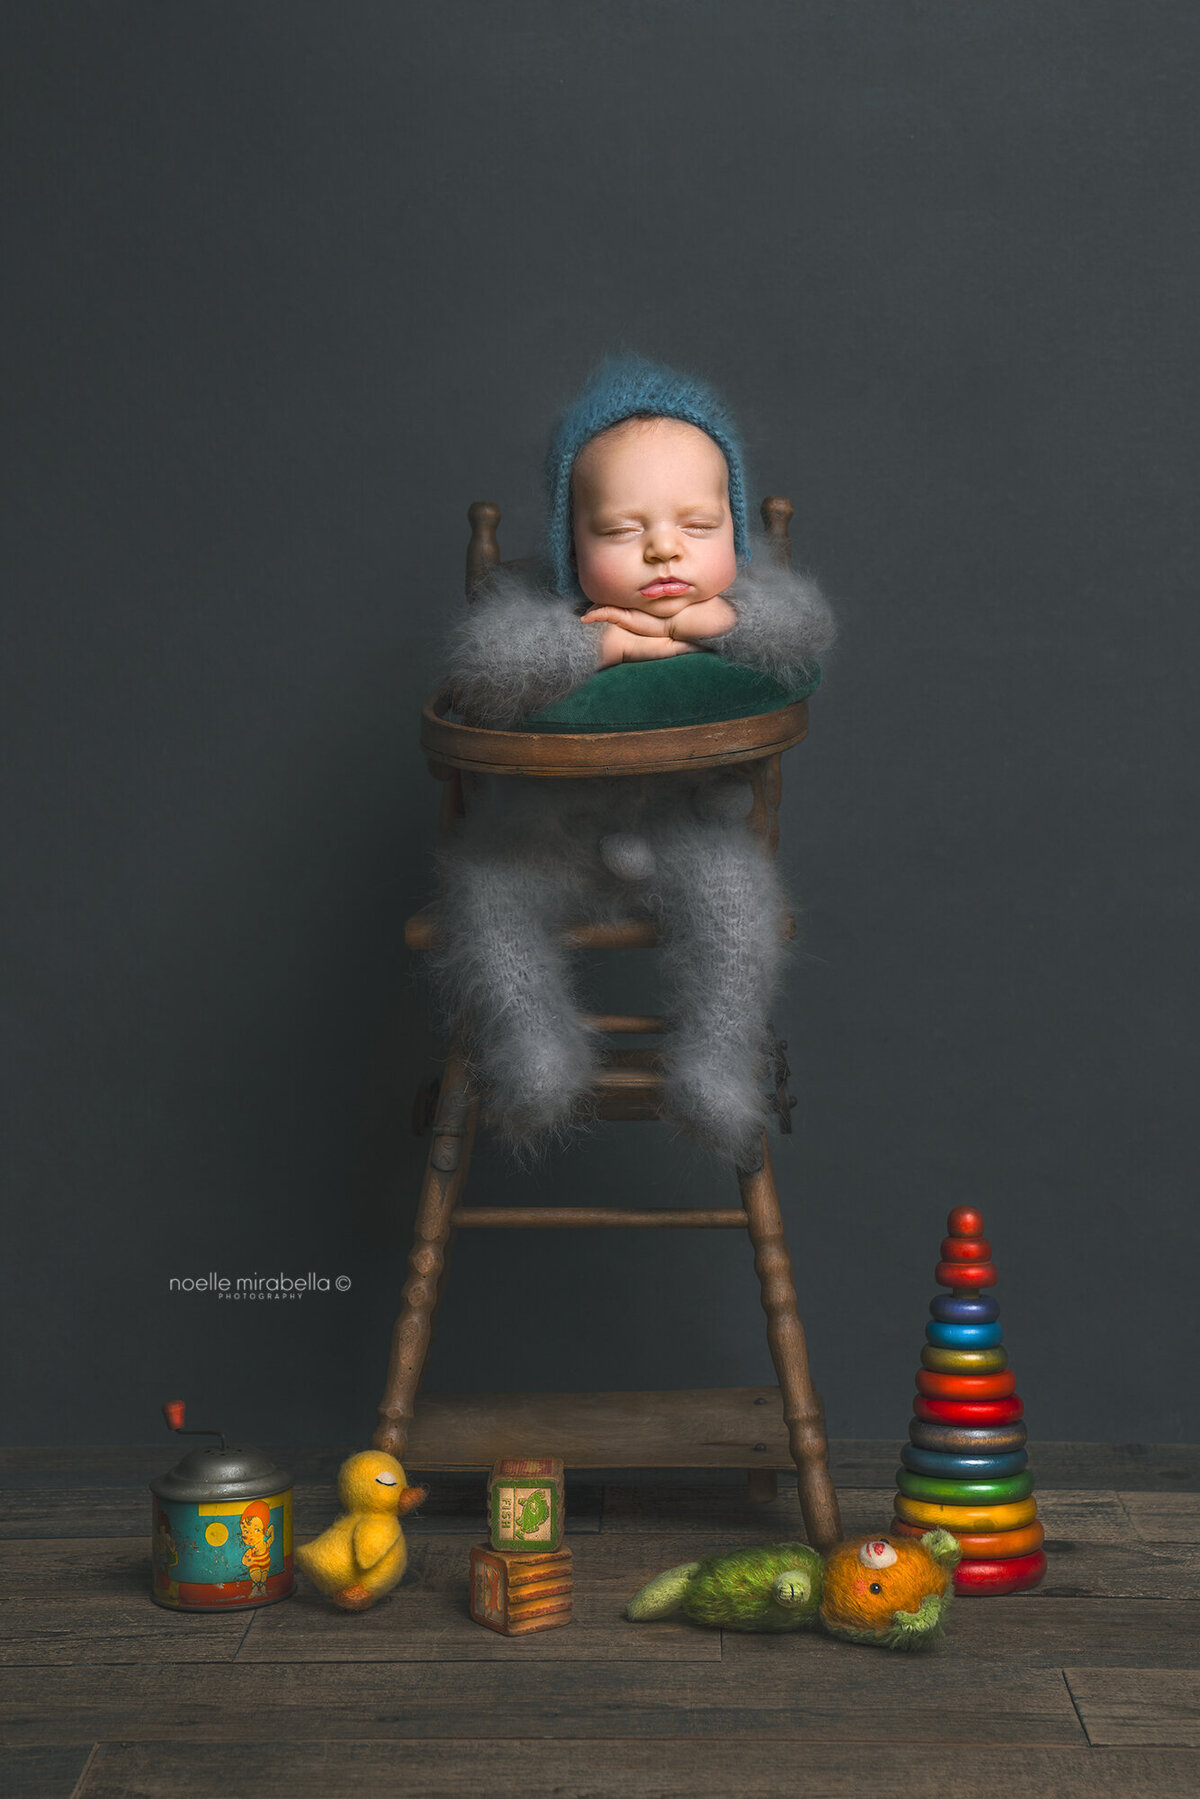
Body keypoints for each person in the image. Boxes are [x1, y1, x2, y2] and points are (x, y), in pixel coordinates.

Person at [429, 354, 834, 1167]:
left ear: (737, 530)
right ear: (570, 543)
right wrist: (606, 640)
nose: (662, 552)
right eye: (620, 530)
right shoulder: (547, 610)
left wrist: (710, 625)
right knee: (487, 901)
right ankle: (535, 1048)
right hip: (550, 840)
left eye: (698, 526)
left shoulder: (747, 605)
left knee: (738, 904)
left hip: (691, 829)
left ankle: (716, 1061)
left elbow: (801, 631)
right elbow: (484, 667)